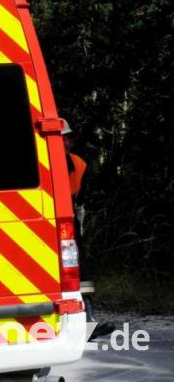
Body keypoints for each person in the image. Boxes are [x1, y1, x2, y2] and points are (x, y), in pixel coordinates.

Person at [63, 121, 114, 340]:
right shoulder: (40, 163)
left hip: (66, 221)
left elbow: (80, 199)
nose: (65, 141)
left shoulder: (79, 164)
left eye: (66, 137)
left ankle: (88, 319)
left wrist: (78, 222)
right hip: (44, 221)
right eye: (62, 137)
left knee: (80, 268)